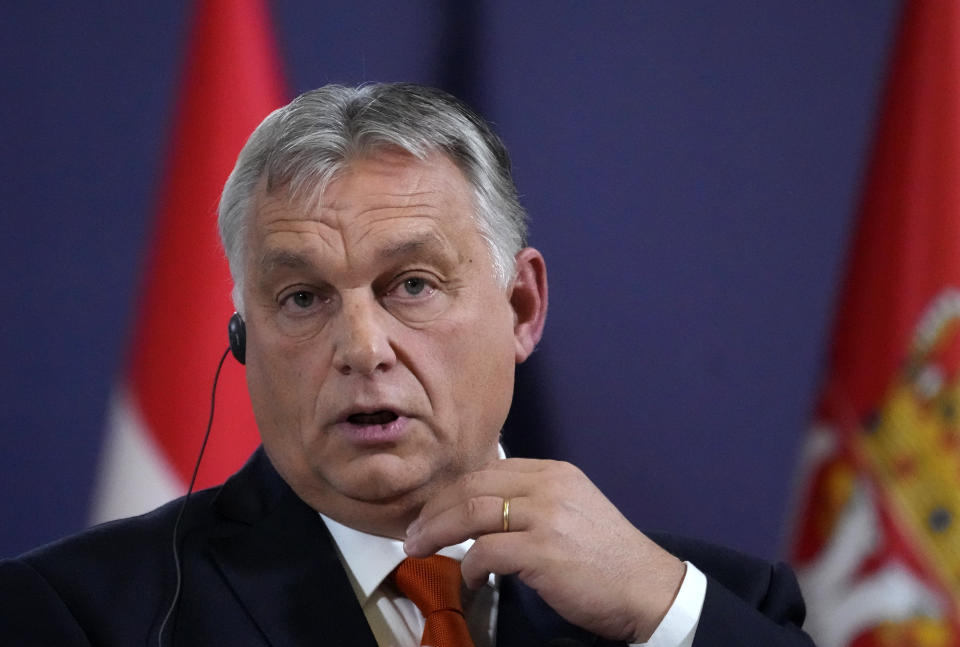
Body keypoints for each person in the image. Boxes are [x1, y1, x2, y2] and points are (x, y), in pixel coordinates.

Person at [0, 83, 814, 646]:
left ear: (522, 307)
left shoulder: (704, 604)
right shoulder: (79, 615)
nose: (361, 347)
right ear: (244, 335)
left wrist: (667, 617)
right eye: (303, 298)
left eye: (413, 284)